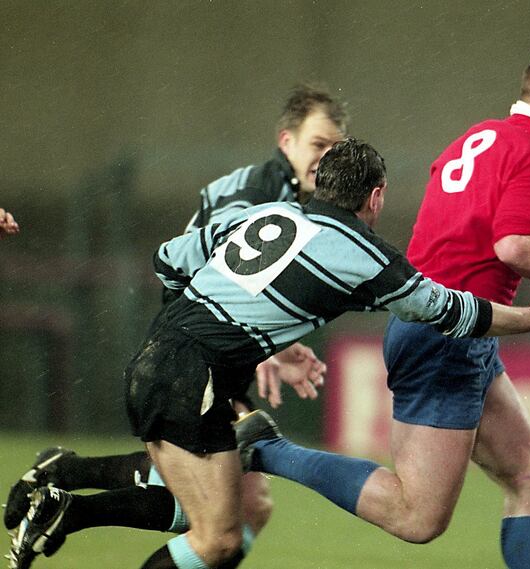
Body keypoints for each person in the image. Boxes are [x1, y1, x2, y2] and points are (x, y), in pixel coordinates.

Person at [12, 137, 530, 569]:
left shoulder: (258, 215)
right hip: (196, 378)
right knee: (217, 540)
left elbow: (168, 258)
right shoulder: (366, 253)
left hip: (160, 359)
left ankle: (68, 502)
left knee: (216, 508)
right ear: (375, 197)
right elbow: (454, 313)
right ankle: (69, 501)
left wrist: (204, 329)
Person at [223, 40, 530, 569]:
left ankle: (265, 448)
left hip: (451, 325)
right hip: (449, 337)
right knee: (416, 518)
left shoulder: (482, 136)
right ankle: (267, 449)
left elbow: (476, 235)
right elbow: (513, 246)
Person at [4, 83, 346, 569]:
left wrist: (273, 346)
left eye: (336, 146)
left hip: (216, 350)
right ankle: (68, 500)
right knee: (216, 520)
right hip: (195, 352)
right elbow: (226, 268)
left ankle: (66, 488)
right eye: (318, 144)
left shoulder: (293, 195)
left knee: (235, 509)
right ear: (286, 141)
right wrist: (268, 346)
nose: (327, 156)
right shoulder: (254, 195)